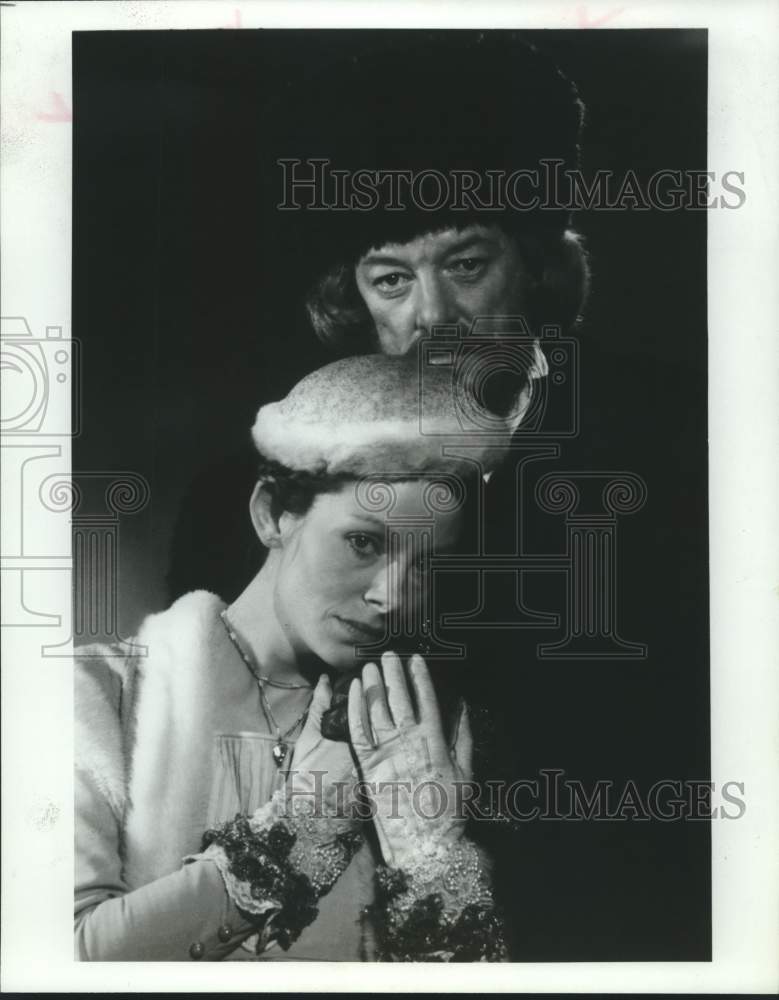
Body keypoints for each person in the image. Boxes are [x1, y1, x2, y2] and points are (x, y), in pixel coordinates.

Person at [74, 351, 521, 962]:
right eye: (364, 542)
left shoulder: (431, 739)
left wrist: (430, 855)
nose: (391, 596)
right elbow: (68, 958)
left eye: (427, 564)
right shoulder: (100, 689)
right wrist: (302, 826)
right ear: (271, 514)